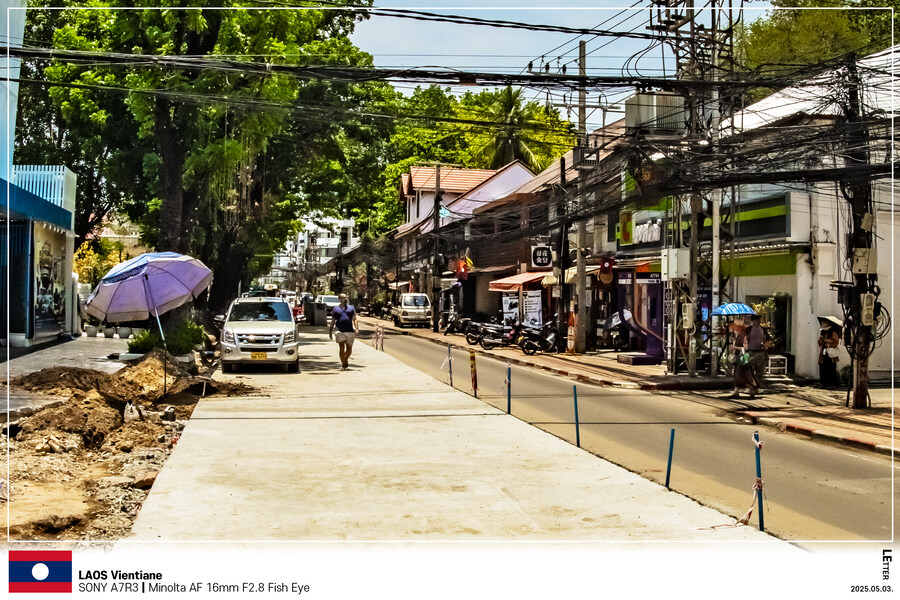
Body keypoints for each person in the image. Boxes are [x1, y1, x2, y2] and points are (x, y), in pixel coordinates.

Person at [329, 293, 359, 371]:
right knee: (341, 347)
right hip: (339, 331)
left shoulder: (351, 308)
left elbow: (355, 319)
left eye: (346, 298)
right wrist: (330, 331)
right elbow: (333, 321)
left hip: (350, 330)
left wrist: (356, 328)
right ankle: (343, 365)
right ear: (339, 299)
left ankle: (345, 359)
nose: (345, 299)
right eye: (343, 298)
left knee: (349, 349)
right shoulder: (336, 309)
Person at [728, 319, 756, 399]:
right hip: (738, 359)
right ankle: (736, 391)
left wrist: (735, 347)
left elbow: (746, 347)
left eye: (736, 328)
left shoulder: (743, 336)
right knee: (736, 375)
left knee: (741, 376)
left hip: (742, 359)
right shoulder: (738, 336)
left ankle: (751, 387)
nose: (734, 329)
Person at [743, 314, 767, 397]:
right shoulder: (749, 330)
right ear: (753, 321)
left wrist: (765, 346)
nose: (758, 321)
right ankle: (750, 386)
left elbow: (766, 340)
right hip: (751, 352)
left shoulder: (763, 329)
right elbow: (745, 339)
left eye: (759, 320)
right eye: (756, 320)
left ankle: (758, 386)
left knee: (760, 370)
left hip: (760, 352)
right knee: (750, 370)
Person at [817, 316, 842, 388]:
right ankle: (823, 383)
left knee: (831, 368)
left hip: (831, 352)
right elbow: (819, 342)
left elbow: (836, 342)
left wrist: (827, 341)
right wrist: (821, 340)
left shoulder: (833, 332)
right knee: (822, 367)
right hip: (823, 351)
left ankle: (831, 384)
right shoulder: (823, 333)